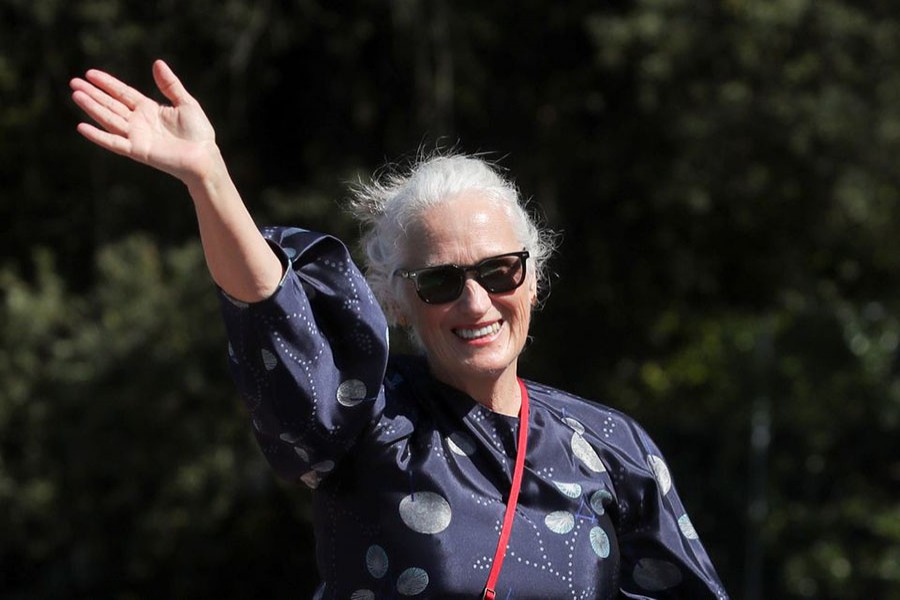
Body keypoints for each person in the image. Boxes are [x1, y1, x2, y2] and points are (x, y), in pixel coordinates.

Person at [70, 60, 730, 599]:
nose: (475, 303)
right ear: (398, 302)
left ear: (533, 279)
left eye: (499, 272)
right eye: (441, 282)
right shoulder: (367, 422)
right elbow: (271, 305)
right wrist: (208, 178)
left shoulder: (613, 448)